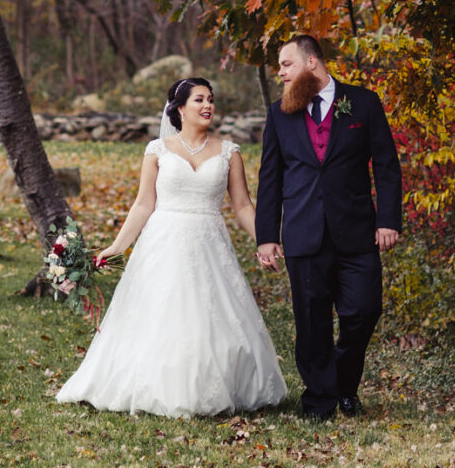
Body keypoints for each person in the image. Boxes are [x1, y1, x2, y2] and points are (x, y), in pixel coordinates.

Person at [55, 77, 287, 418]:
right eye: (199, 100)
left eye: (210, 99)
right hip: (163, 242)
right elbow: (143, 204)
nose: (207, 105)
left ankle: (217, 386)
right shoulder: (157, 150)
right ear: (180, 108)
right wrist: (117, 246)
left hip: (209, 242)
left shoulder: (229, 152)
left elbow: (241, 206)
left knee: (211, 316)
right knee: (160, 314)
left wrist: (266, 241)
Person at [255, 35, 402, 421]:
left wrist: (388, 220)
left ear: (313, 63)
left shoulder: (364, 103)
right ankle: (320, 401)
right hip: (303, 233)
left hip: (357, 232)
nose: (281, 73)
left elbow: (386, 166)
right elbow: (270, 178)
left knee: (364, 310)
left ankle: (345, 384)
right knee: (311, 321)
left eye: (287, 64)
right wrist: (267, 236)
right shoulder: (279, 114)